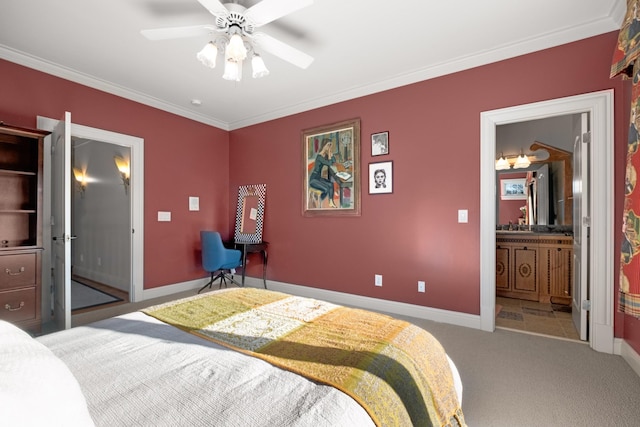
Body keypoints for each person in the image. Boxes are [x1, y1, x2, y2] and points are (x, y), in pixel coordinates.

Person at [309, 138, 339, 208]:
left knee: (331, 184)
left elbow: (333, 161)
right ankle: (319, 200)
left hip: (318, 178)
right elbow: (329, 163)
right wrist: (329, 154)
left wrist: (330, 153)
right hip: (313, 180)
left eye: (330, 145)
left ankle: (331, 202)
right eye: (328, 145)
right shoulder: (319, 156)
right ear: (324, 145)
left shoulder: (324, 155)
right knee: (326, 189)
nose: (329, 147)